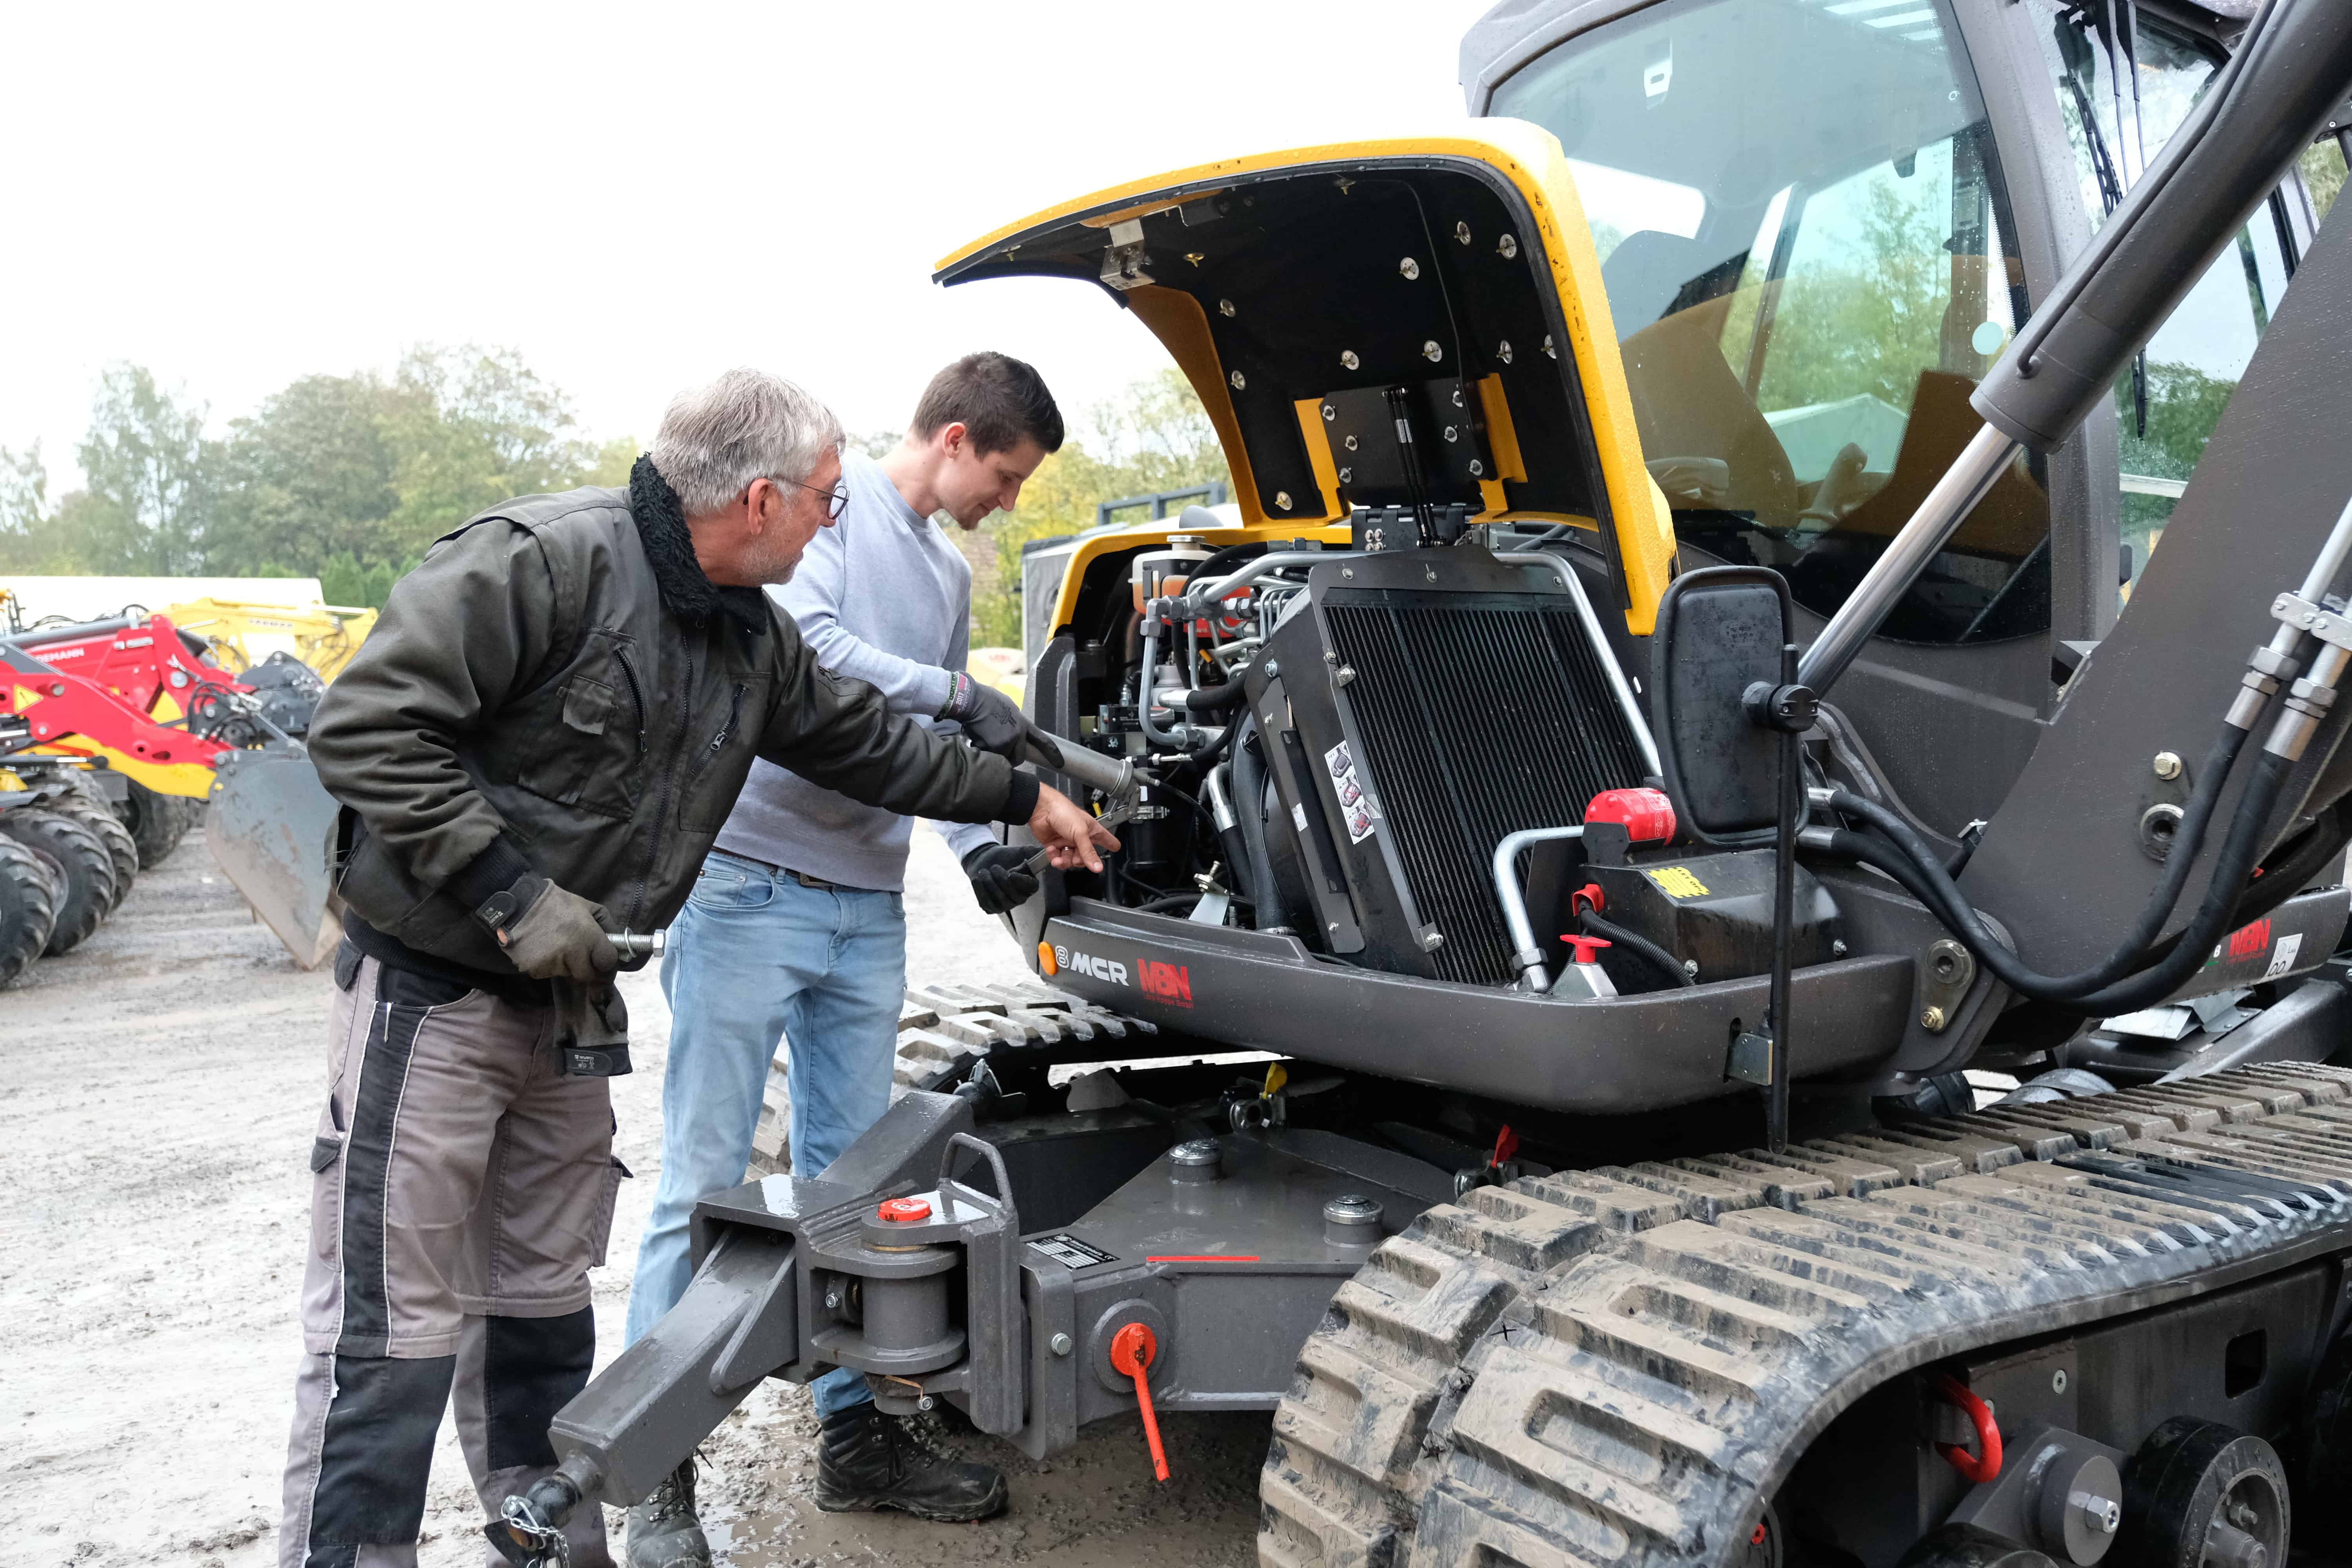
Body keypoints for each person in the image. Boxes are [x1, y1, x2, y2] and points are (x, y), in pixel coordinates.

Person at [278, 368, 1113, 1568]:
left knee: (536, 1294)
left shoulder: (748, 635)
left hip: (561, 1007)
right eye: (827, 500)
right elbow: (364, 725)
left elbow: (867, 744)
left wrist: (1020, 793)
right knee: (394, 1320)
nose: (840, 519)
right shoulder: (546, 564)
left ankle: (549, 1542)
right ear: (761, 499)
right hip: (437, 991)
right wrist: (509, 893)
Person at [618, 352, 1062, 1566]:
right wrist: (957, 696)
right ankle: (653, 1470)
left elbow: (929, 729)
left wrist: (979, 840)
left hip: (868, 909)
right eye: (1008, 477)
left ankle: (856, 1439)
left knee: (858, 1194)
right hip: (750, 885)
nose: (1007, 504)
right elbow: (804, 656)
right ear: (959, 438)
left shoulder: (944, 569)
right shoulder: (829, 506)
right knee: (702, 1187)